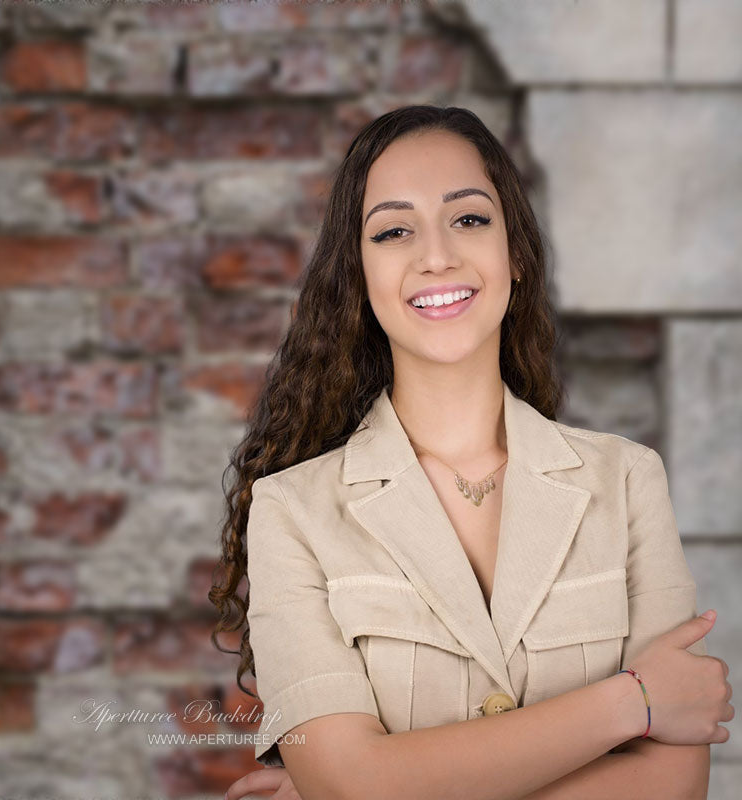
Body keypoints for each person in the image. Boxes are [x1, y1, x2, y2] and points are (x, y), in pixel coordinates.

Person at [210, 105, 733, 800]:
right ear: (358, 276)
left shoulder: (628, 481)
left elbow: (673, 786)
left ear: (515, 253)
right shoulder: (291, 511)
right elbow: (350, 783)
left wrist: (383, 784)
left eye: (468, 218)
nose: (437, 256)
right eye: (394, 231)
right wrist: (632, 701)